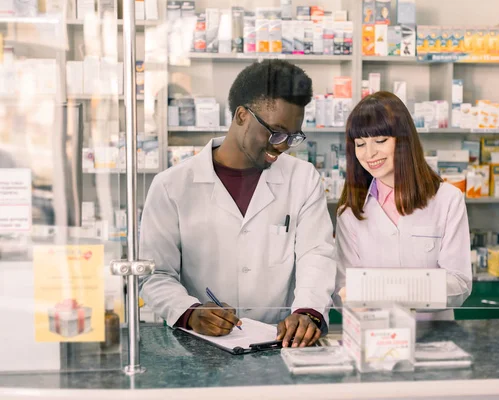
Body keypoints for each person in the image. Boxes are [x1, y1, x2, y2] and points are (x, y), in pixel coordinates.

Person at [139, 60, 336, 347]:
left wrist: (308, 312)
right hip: (200, 346)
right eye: (276, 132)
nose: (281, 146)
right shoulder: (172, 186)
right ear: (242, 115)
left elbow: (316, 255)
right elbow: (156, 274)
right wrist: (189, 312)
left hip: (278, 343)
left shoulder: (302, 179)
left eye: (292, 137)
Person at [335, 91, 472, 320]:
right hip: (375, 337)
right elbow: (344, 288)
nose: (370, 153)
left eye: (380, 141)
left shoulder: (448, 199)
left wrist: (387, 290)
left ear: (404, 140)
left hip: (433, 337)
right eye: (360, 144)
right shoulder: (350, 211)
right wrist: (352, 298)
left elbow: (459, 284)